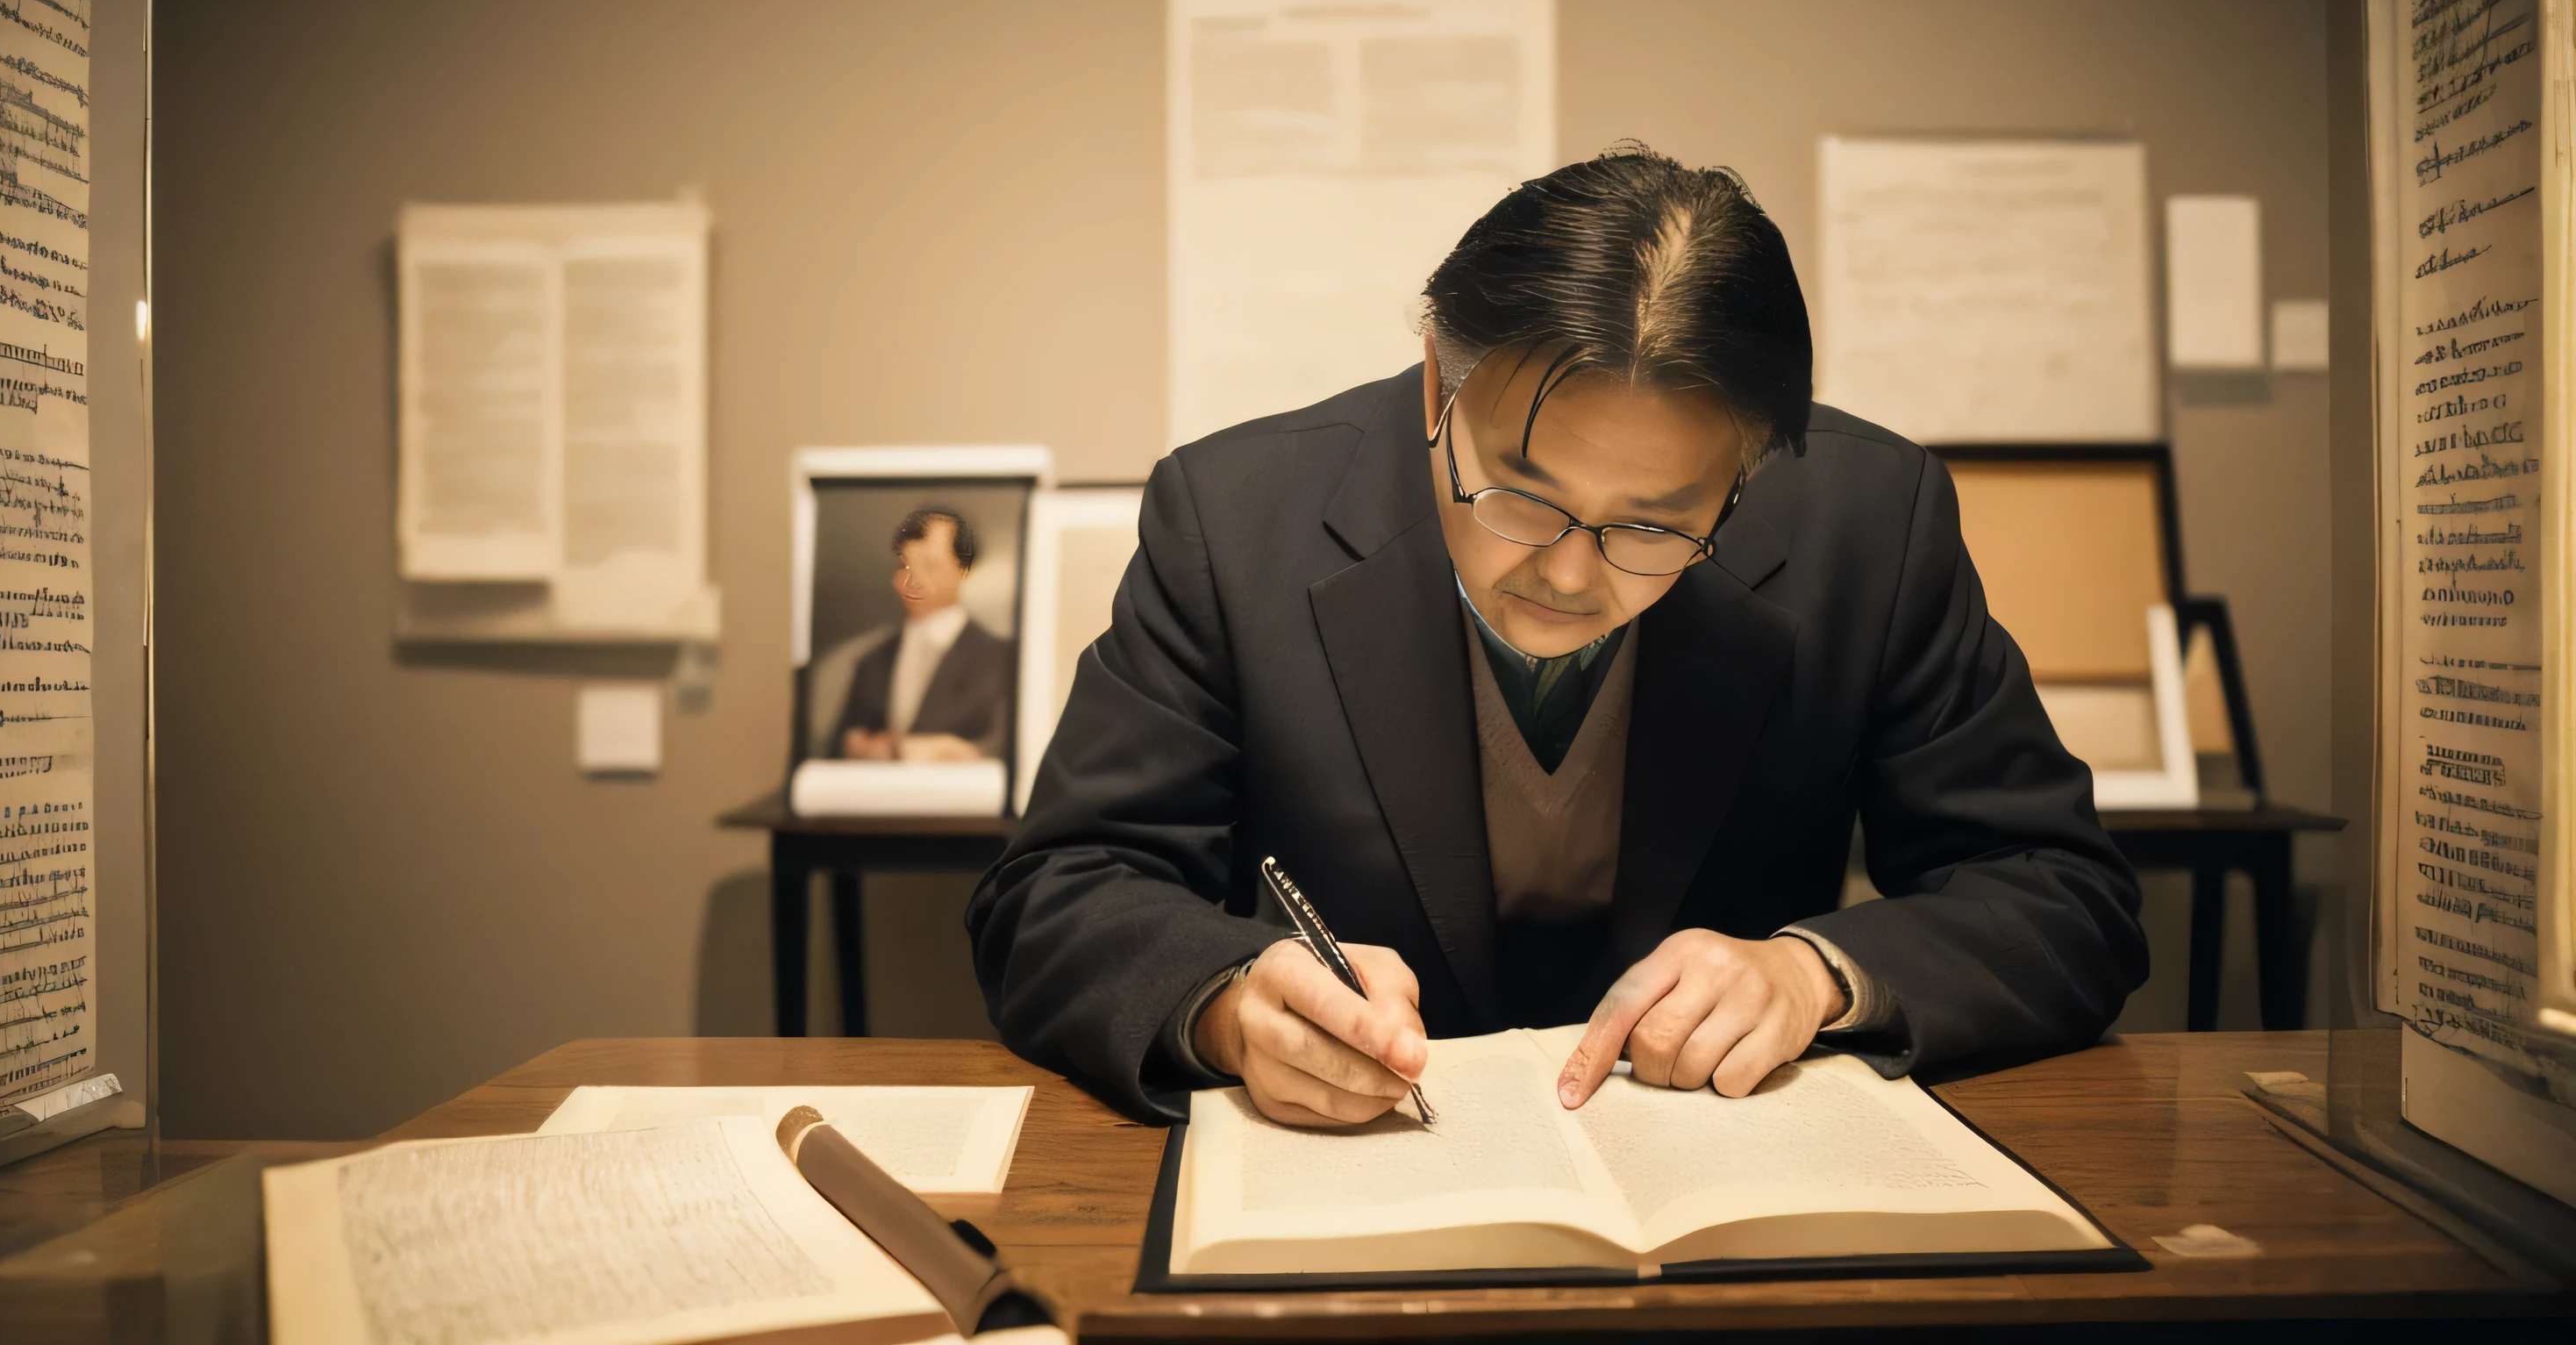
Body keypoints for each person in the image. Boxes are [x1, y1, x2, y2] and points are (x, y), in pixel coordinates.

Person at [969, 147, 2146, 1127]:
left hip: (1721, 1187)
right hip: (1350, 1193)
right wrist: (1229, 999)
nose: (1570, 575)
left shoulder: (1867, 525)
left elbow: (2062, 897)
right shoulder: (1236, 522)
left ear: (1744, 479)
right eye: (1520, 495)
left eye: (1655, 525)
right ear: (1438, 389)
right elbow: (1060, 894)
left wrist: (1818, 975)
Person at [833, 508, 1013, 762]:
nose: (913, 579)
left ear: (964, 568)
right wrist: (860, 747)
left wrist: (946, 751)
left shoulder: (1001, 659)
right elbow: (838, 748)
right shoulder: (871, 662)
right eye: (904, 565)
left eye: (930, 565)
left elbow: (1006, 746)